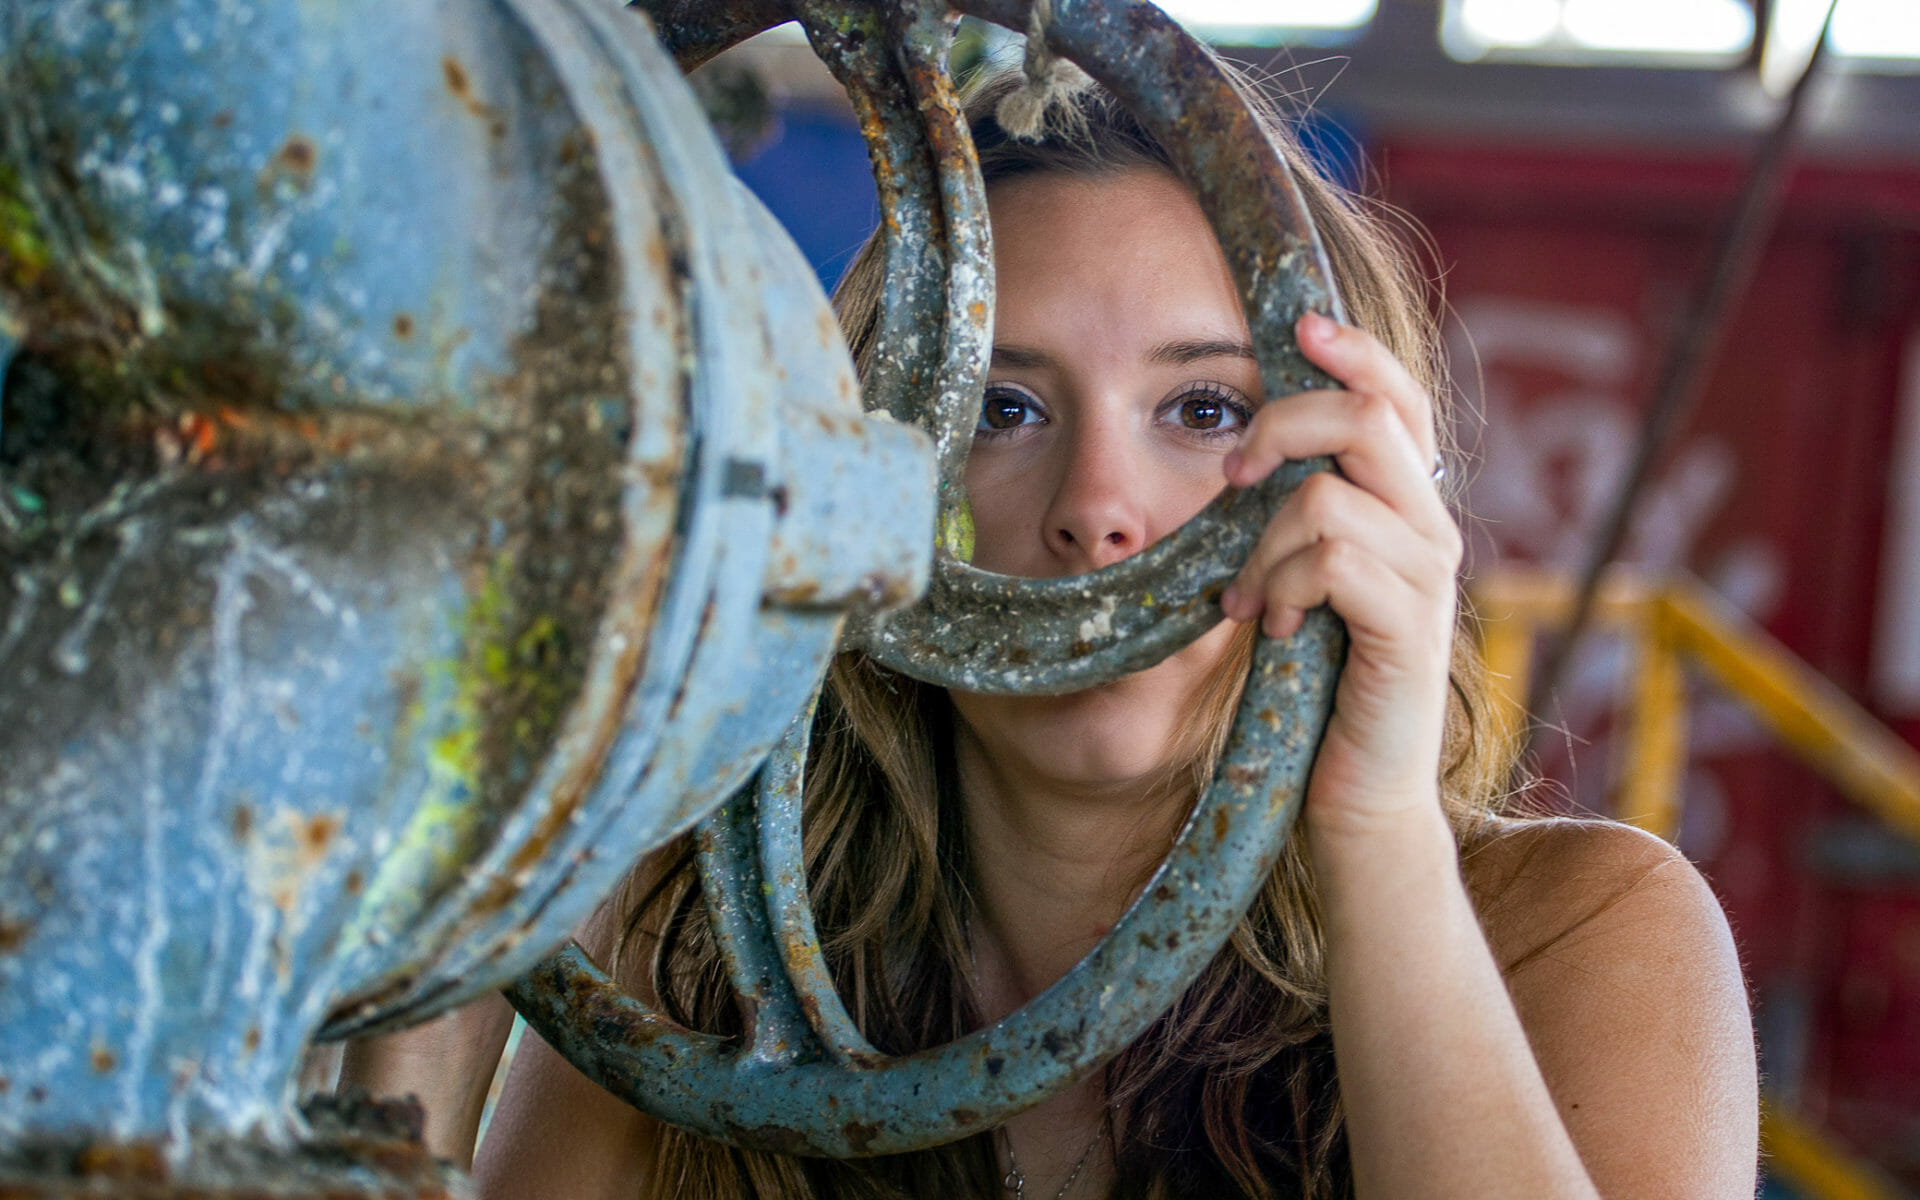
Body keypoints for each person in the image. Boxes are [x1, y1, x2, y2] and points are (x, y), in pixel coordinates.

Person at [340, 64, 1758, 1200]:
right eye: (1002, 412)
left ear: (1364, 488)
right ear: (863, 488)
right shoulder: (694, 948)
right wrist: (478, 886)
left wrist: (1375, 830)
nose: (1097, 514)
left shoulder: (1584, 940)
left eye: (1204, 411)